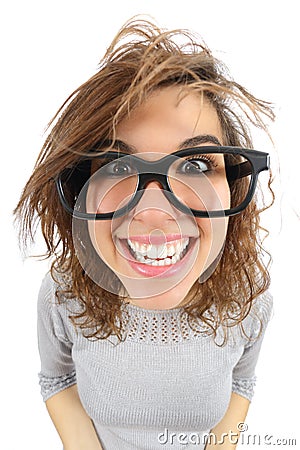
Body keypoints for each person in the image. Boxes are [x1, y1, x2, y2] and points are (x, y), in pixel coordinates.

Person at [14, 17, 274, 450]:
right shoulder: (62, 293)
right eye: (117, 166)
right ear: (80, 193)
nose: (155, 214)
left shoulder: (251, 299)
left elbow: (242, 384)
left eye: (195, 164)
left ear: (233, 183)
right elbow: (56, 377)